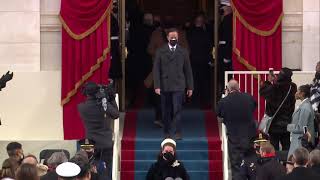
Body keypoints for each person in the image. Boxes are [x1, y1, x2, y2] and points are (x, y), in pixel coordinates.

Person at [153, 28, 194, 140]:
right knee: (166, 110)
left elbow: (188, 70)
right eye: (171, 38)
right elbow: (156, 70)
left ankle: (177, 132)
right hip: (164, 85)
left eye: (175, 38)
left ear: (178, 38)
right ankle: (166, 132)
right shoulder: (160, 51)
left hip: (179, 85)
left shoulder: (183, 51)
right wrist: (156, 85)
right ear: (167, 38)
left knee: (177, 109)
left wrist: (190, 87)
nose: (173, 39)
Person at [216, 79, 257, 180]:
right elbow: (254, 107)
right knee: (252, 165)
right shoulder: (248, 97)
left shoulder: (223, 101)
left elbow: (219, 115)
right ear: (238, 88)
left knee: (236, 167)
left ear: (228, 89)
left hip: (234, 139)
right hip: (250, 137)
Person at [78, 81, 119, 178]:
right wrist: (111, 98)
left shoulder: (81, 107)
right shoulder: (103, 105)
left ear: (86, 93)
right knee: (106, 171)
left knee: (89, 169)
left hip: (89, 143)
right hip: (105, 142)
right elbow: (116, 114)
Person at [260, 67, 297, 151]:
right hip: (286, 122)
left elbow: (263, 92)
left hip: (274, 123)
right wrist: (276, 81)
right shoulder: (293, 87)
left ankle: (276, 163)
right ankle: (287, 163)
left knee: (274, 147)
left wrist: (269, 81)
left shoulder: (274, 87)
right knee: (286, 146)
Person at [187, 13, 213, 106]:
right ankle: (204, 101)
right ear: (202, 23)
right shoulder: (206, 34)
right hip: (203, 61)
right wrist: (210, 60)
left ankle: (193, 100)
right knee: (204, 82)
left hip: (192, 60)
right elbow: (210, 48)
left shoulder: (189, 33)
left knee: (193, 81)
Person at [287, 84, 315, 157]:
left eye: (297, 91)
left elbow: (302, 127)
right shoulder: (305, 105)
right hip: (299, 141)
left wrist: (288, 127)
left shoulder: (305, 107)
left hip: (299, 143)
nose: (295, 93)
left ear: (302, 93)